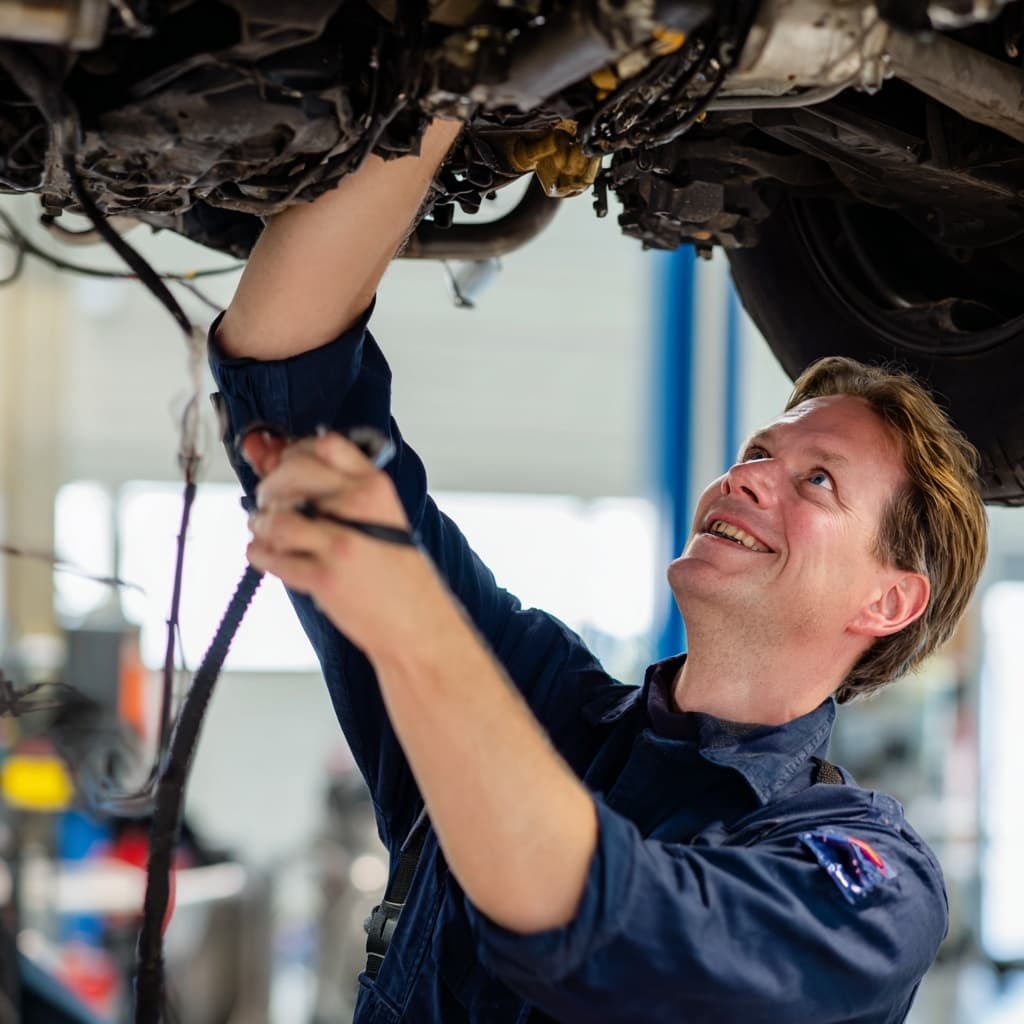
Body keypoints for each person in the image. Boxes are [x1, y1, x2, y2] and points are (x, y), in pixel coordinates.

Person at [208, 117, 988, 1023]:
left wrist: (417, 626)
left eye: (816, 479)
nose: (748, 477)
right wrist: (444, 88)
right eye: (756, 451)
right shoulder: (540, 698)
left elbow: (602, 922)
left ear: (889, 599)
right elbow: (284, 369)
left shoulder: (870, 886)